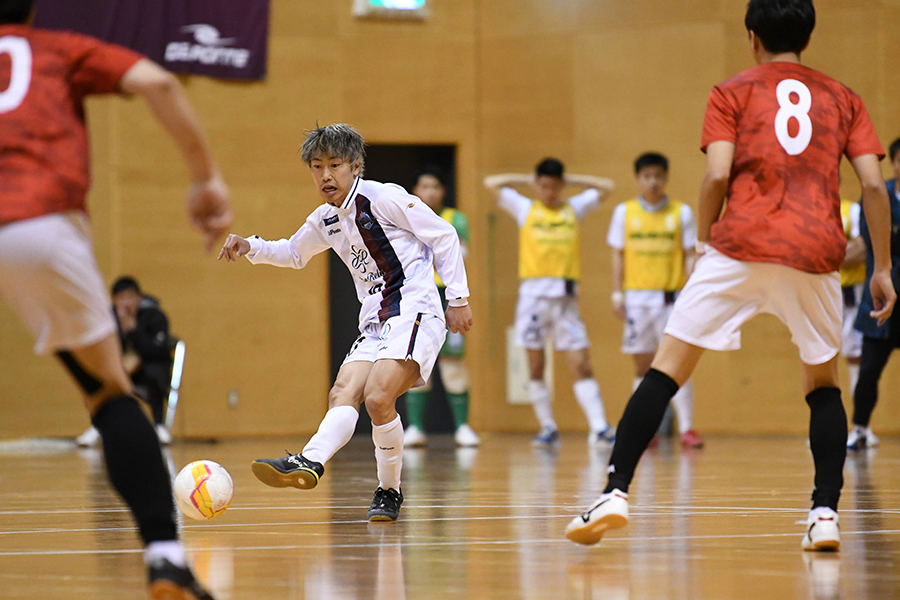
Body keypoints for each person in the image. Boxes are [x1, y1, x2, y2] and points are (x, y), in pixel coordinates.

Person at [565, 0, 894, 553]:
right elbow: (875, 186)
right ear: (808, 37)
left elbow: (717, 173)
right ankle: (824, 515)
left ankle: (615, 492)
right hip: (814, 250)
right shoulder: (845, 98)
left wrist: (702, 244)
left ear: (751, 37)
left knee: (664, 371)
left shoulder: (731, 91)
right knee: (823, 386)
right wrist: (881, 266)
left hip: (739, 243)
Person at [0, 1, 232, 597]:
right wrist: (205, 177)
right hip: (36, 219)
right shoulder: (55, 49)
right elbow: (158, 81)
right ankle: (165, 557)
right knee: (108, 395)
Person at [218, 123, 472, 522]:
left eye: (334, 165)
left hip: (415, 311)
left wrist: (457, 298)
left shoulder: (384, 198)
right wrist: (250, 246)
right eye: (317, 166)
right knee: (342, 392)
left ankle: (389, 490)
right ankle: (310, 461)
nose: (325, 175)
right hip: (375, 322)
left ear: (355, 166)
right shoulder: (325, 219)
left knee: (377, 397)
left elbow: (444, 235)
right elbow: (293, 253)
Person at [484, 159, 616, 446]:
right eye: (543, 186)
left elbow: (608, 187)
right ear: (537, 185)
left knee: (581, 363)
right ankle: (547, 426)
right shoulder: (525, 208)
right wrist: (527, 179)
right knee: (535, 365)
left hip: (565, 300)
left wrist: (572, 180)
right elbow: (490, 183)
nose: (549, 192)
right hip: (533, 299)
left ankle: (599, 427)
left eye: (555, 186)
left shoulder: (573, 209)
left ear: (561, 185)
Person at [607, 152, 704, 449]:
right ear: (638, 179)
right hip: (636, 300)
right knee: (642, 366)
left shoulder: (681, 213)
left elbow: (690, 256)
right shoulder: (624, 213)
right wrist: (616, 293)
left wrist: (691, 294)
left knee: (678, 365)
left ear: (666, 178)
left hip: (671, 300)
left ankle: (686, 429)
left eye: (658, 176)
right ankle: (644, 430)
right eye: (647, 176)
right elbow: (617, 255)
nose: (653, 182)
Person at [402, 165, 480, 448]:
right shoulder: (405, 216)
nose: (430, 192)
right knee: (415, 361)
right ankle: (415, 428)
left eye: (435, 186)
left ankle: (462, 427)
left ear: (443, 190)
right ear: (415, 190)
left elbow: (458, 254)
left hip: (447, 295)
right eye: (425, 186)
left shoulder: (455, 219)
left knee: (452, 362)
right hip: (417, 296)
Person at [76, 277, 175, 447]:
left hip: (149, 370)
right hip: (121, 370)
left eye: (131, 297)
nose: (127, 302)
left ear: (139, 297)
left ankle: (159, 425)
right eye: (121, 298)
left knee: (154, 373)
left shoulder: (155, 316)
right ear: (114, 300)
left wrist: (134, 330)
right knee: (99, 377)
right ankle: (97, 427)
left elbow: (158, 351)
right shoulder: (107, 320)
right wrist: (120, 330)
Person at [848, 136, 900, 450]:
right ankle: (860, 428)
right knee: (868, 371)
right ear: (893, 162)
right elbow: (869, 242)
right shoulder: (878, 196)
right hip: (881, 297)